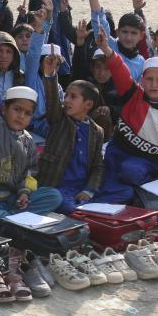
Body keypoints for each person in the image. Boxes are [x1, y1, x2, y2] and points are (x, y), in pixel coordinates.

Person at [91, 31, 158, 203]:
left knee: (129, 172)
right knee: (100, 177)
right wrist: (106, 48)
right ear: (142, 80)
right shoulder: (132, 93)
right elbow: (119, 69)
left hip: (145, 161)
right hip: (116, 152)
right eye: (149, 79)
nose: (154, 84)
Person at [0, 43, 62, 228]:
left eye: (27, 113)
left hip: (12, 198)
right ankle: (13, 221)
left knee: (54, 196)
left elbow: (30, 172)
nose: (21, 116)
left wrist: (24, 193)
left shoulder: (28, 140)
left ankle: (11, 219)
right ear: (5, 109)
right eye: (17, 109)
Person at [36, 52, 105, 212]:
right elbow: (53, 100)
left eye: (73, 97)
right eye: (66, 95)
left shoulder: (97, 132)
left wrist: (89, 190)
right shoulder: (59, 118)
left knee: (119, 196)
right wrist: (50, 74)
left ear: (88, 105)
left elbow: (98, 166)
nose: (66, 100)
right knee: (69, 207)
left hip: (80, 190)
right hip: (56, 188)